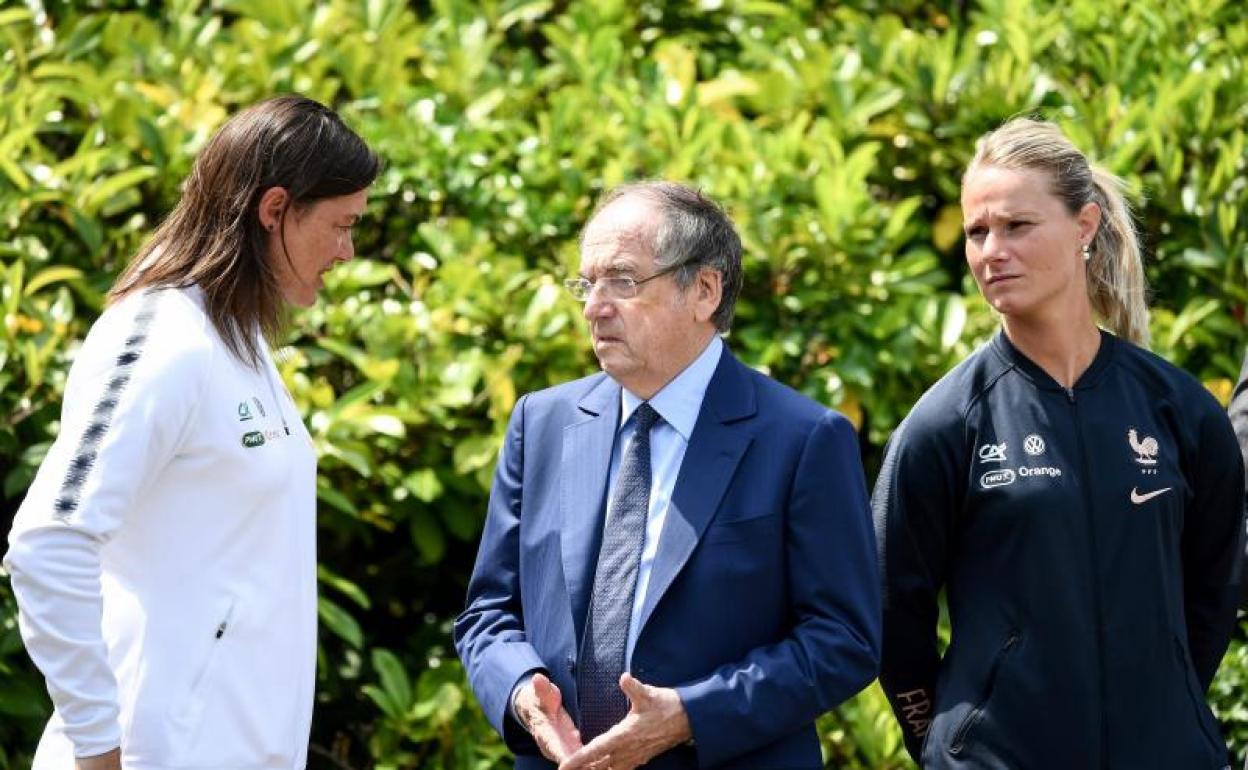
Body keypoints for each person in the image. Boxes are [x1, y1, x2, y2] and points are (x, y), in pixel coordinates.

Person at [4, 95, 380, 770]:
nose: (348, 251)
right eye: (341, 225)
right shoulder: (162, 337)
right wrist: (97, 751)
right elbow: (49, 541)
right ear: (275, 210)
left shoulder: (240, 341)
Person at [454, 181, 880, 769]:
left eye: (623, 281)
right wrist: (522, 691)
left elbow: (844, 640)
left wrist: (691, 715)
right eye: (587, 282)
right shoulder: (542, 422)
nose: (593, 306)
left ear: (704, 290)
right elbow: (488, 613)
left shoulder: (802, 439)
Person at [873, 116, 1244, 769]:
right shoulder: (944, 424)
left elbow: (1213, 589)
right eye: (977, 232)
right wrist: (946, 745)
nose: (992, 250)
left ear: (1085, 226)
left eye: (1017, 226)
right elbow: (890, 613)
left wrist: (1166, 700)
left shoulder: (1179, 409)